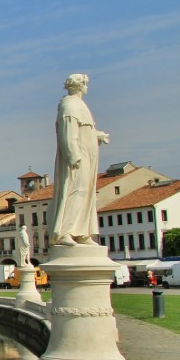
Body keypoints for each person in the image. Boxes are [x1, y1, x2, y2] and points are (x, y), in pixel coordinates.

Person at [49, 73, 109, 246]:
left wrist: (98, 135)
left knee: (86, 193)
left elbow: (84, 132)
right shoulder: (69, 105)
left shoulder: (80, 105)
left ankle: (82, 233)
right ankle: (65, 232)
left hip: (87, 157)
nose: (87, 87)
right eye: (85, 84)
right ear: (79, 85)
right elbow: (67, 133)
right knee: (76, 191)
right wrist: (72, 155)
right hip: (78, 158)